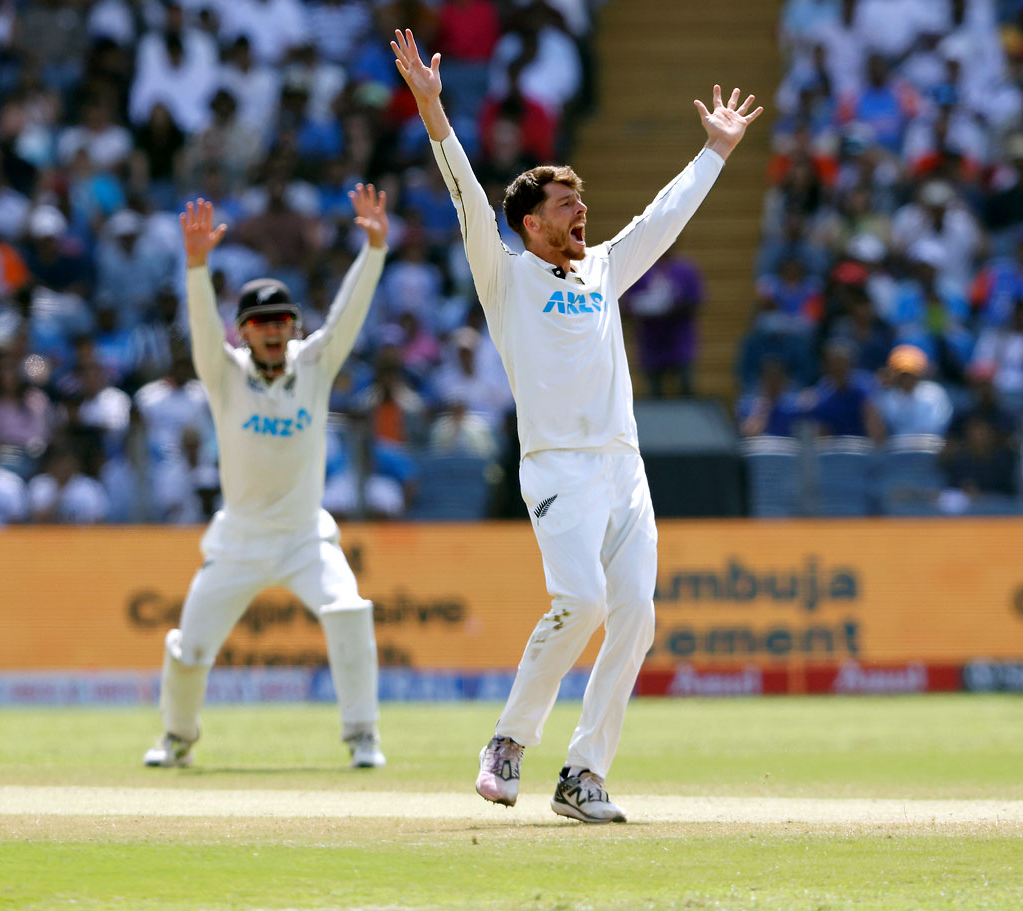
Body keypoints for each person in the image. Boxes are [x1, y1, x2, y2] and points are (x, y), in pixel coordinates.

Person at [392, 28, 761, 823]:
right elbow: (463, 192)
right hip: (556, 465)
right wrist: (434, 112)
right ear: (529, 223)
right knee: (583, 602)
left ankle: (584, 772)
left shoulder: (601, 270)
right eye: (566, 204)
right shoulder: (506, 275)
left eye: (582, 200)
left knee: (636, 617)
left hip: (624, 465)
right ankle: (508, 743)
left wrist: (715, 155)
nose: (582, 211)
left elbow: (661, 221)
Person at [142, 185, 389, 770]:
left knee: (349, 612)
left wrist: (374, 250)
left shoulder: (314, 364)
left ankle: (363, 737)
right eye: (261, 323)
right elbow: (203, 328)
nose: (274, 331)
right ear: (244, 332)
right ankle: (176, 739)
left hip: (305, 537)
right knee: (189, 648)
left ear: (292, 326)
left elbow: (346, 316)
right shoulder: (223, 375)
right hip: (240, 541)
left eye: (282, 321)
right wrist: (197, 266)